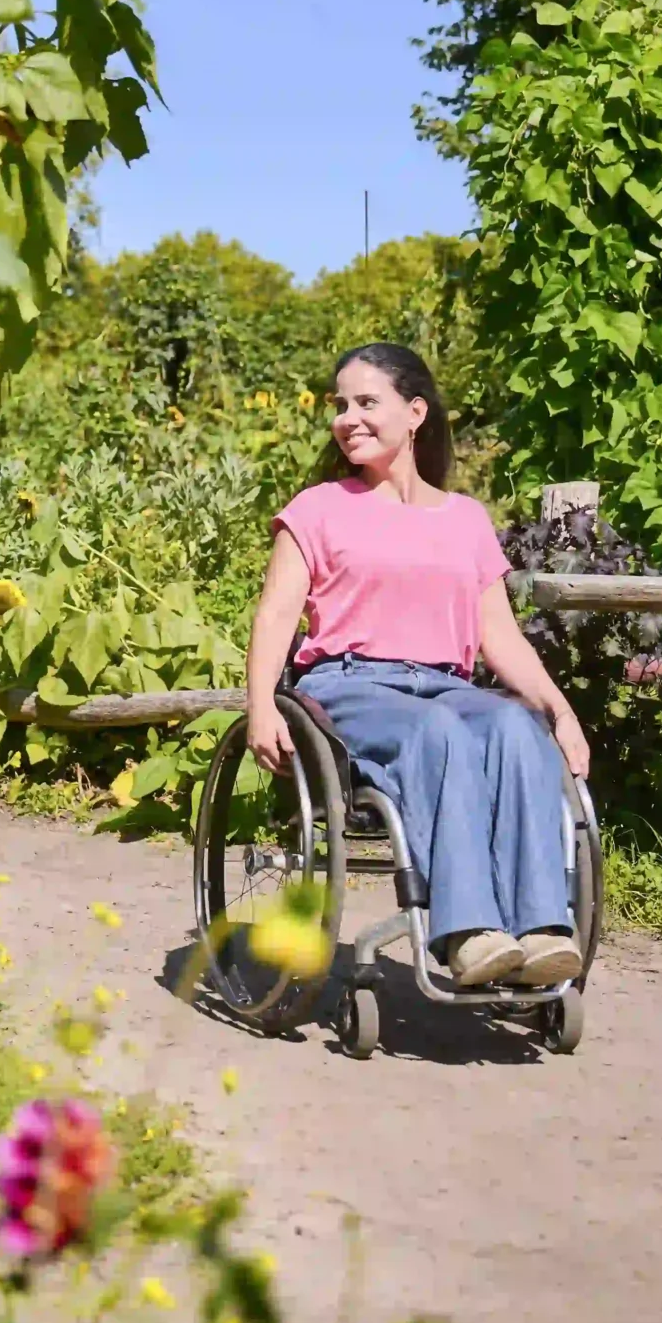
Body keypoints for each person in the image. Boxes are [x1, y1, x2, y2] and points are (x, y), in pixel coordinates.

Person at [244, 343, 592, 989]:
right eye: (340, 406)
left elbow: (500, 636)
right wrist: (261, 702)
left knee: (517, 729)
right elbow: (275, 617)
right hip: (349, 685)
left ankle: (543, 928)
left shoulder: (465, 519)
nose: (347, 418)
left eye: (365, 402)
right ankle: (466, 933)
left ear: (414, 413)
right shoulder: (317, 509)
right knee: (440, 735)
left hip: (444, 685)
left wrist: (560, 711)